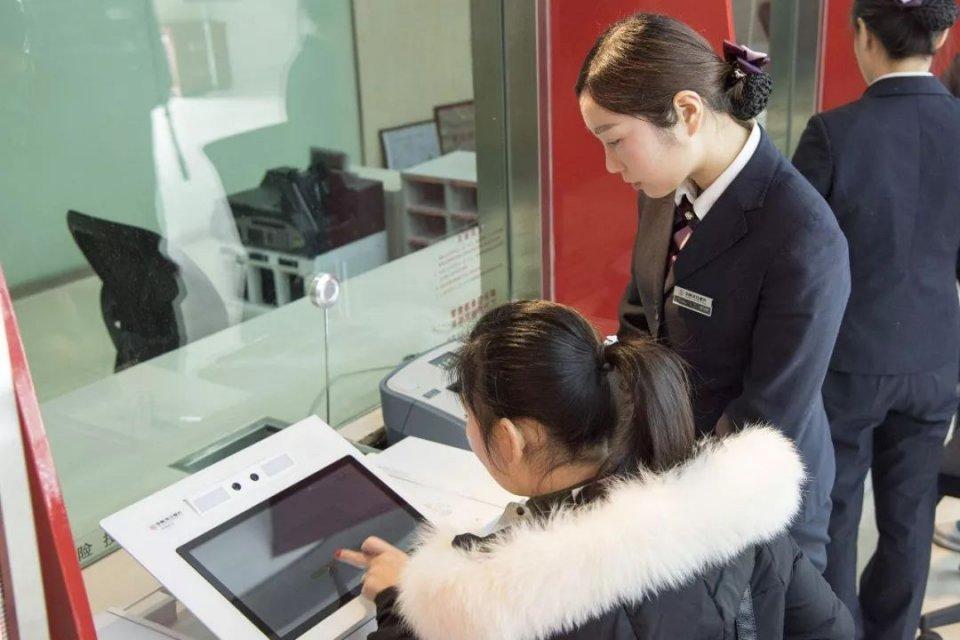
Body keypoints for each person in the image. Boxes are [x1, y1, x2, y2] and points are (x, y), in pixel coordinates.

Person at [338, 300, 853, 640]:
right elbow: (831, 630)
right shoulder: (738, 509)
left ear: (512, 439)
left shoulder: (492, 607)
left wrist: (400, 599)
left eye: (471, 417)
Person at [576, 13, 850, 571]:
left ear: (687, 112)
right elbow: (641, 316)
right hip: (668, 479)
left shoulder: (802, 235)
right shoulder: (663, 188)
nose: (609, 164)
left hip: (755, 508)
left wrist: (669, 497)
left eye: (615, 140)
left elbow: (768, 415)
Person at [791, 1, 960, 638]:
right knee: (911, 515)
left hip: (849, 364)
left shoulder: (833, 133)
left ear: (862, 33)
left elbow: (798, 258)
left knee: (834, 511)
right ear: (942, 33)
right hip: (936, 360)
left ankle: (839, 630)